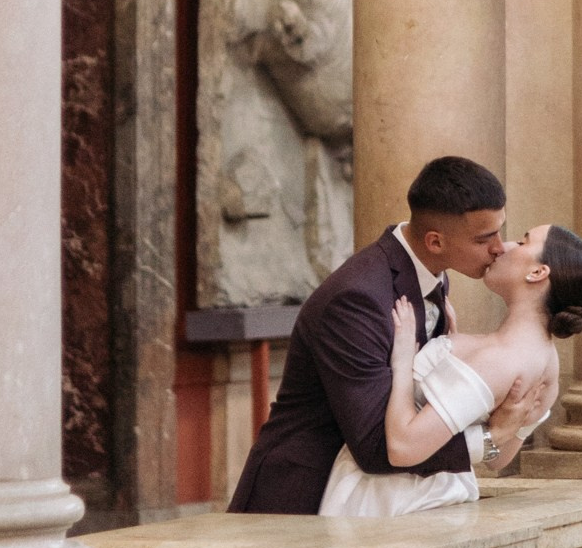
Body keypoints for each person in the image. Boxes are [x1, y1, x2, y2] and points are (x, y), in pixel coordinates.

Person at [227, 155, 533, 513]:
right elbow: (376, 446)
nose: (500, 247)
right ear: (435, 242)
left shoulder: (432, 274)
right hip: (298, 503)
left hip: (361, 503)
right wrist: (490, 439)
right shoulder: (357, 299)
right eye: (484, 238)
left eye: (499, 230)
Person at [320, 221, 582, 522]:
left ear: (537, 272)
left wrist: (402, 362)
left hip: (392, 502)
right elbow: (500, 459)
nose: (503, 247)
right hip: (445, 499)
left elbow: (403, 447)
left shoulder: (497, 359)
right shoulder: (547, 362)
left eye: (523, 242)